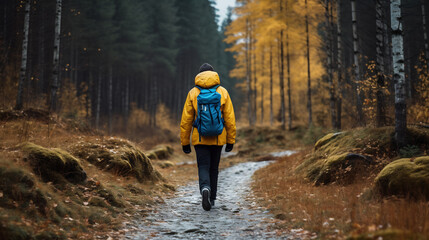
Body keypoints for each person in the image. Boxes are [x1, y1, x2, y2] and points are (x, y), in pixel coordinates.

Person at [180, 63, 236, 211]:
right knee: (214, 168)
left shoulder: (193, 93)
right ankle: (212, 199)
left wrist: (185, 142)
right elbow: (229, 118)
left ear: (199, 75)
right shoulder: (222, 91)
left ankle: (205, 189)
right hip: (218, 138)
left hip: (200, 138)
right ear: (214, 74)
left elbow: (186, 120)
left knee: (203, 166)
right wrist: (230, 140)